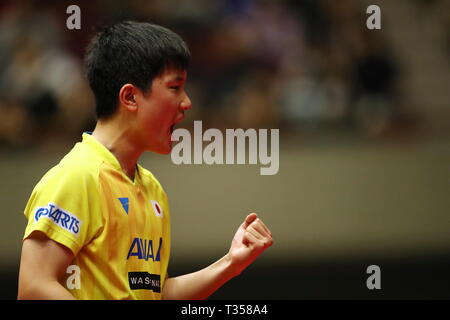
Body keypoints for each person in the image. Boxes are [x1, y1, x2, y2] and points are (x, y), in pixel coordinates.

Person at [17, 21, 273, 300]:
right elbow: (35, 287)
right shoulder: (77, 177)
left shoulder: (152, 190)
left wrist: (230, 263)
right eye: (175, 87)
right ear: (130, 97)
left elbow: (155, 294)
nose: (186, 102)